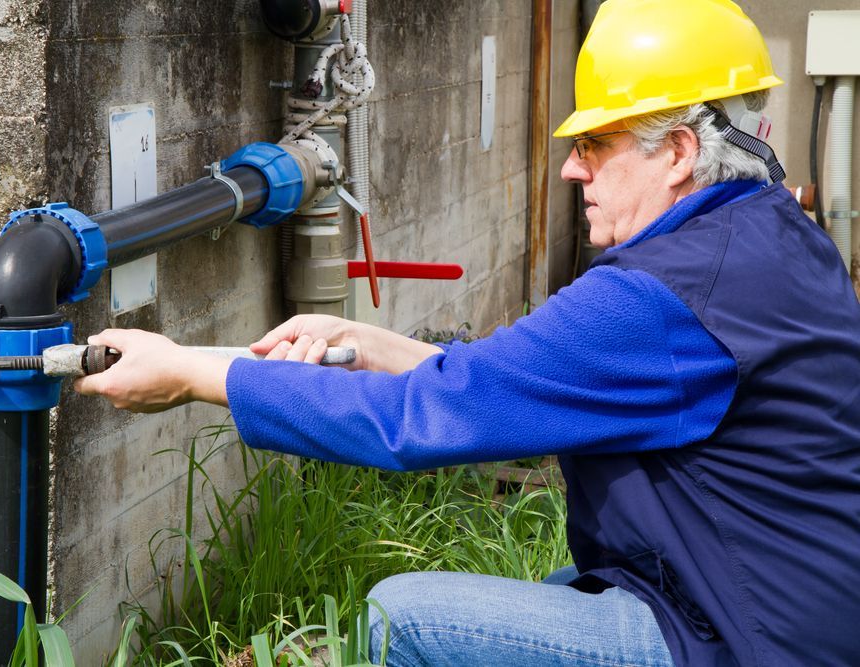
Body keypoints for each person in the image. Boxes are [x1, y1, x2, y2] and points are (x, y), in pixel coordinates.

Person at [75, 0, 860, 664]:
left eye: (595, 144)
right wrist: (384, 351)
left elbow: (416, 426)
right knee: (556, 594)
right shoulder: (771, 234)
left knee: (403, 617)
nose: (570, 170)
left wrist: (189, 374)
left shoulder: (658, 298)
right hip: (776, 605)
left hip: (739, 637)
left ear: (680, 153)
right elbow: (512, 389)